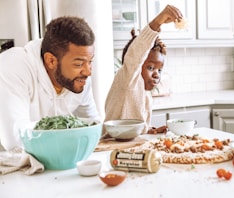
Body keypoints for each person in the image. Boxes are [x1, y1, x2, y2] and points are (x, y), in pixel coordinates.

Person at [0, 16, 100, 151]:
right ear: (51, 61)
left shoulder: (79, 77)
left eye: (90, 61)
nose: (88, 72)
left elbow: (93, 125)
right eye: (79, 64)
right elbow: (17, 141)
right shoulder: (13, 66)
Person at [104, 5, 183, 136]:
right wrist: (158, 22)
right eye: (150, 68)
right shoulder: (127, 80)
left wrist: (151, 130)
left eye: (160, 69)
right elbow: (137, 52)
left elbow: (137, 130)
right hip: (111, 145)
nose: (156, 74)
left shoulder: (145, 94)